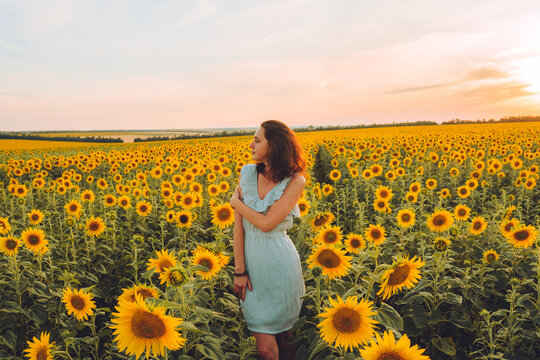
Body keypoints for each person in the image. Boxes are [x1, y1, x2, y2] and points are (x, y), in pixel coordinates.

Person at [229, 120, 306, 360]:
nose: (251, 145)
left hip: (281, 268)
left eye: (258, 140)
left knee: (286, 340)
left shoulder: (296, 181)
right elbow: (239, 226)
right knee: (264, 349)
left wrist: (236, 203)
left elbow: (266, 223)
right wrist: (239, 271)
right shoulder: (247, 172)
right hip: (252, 271)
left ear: (274, 145)